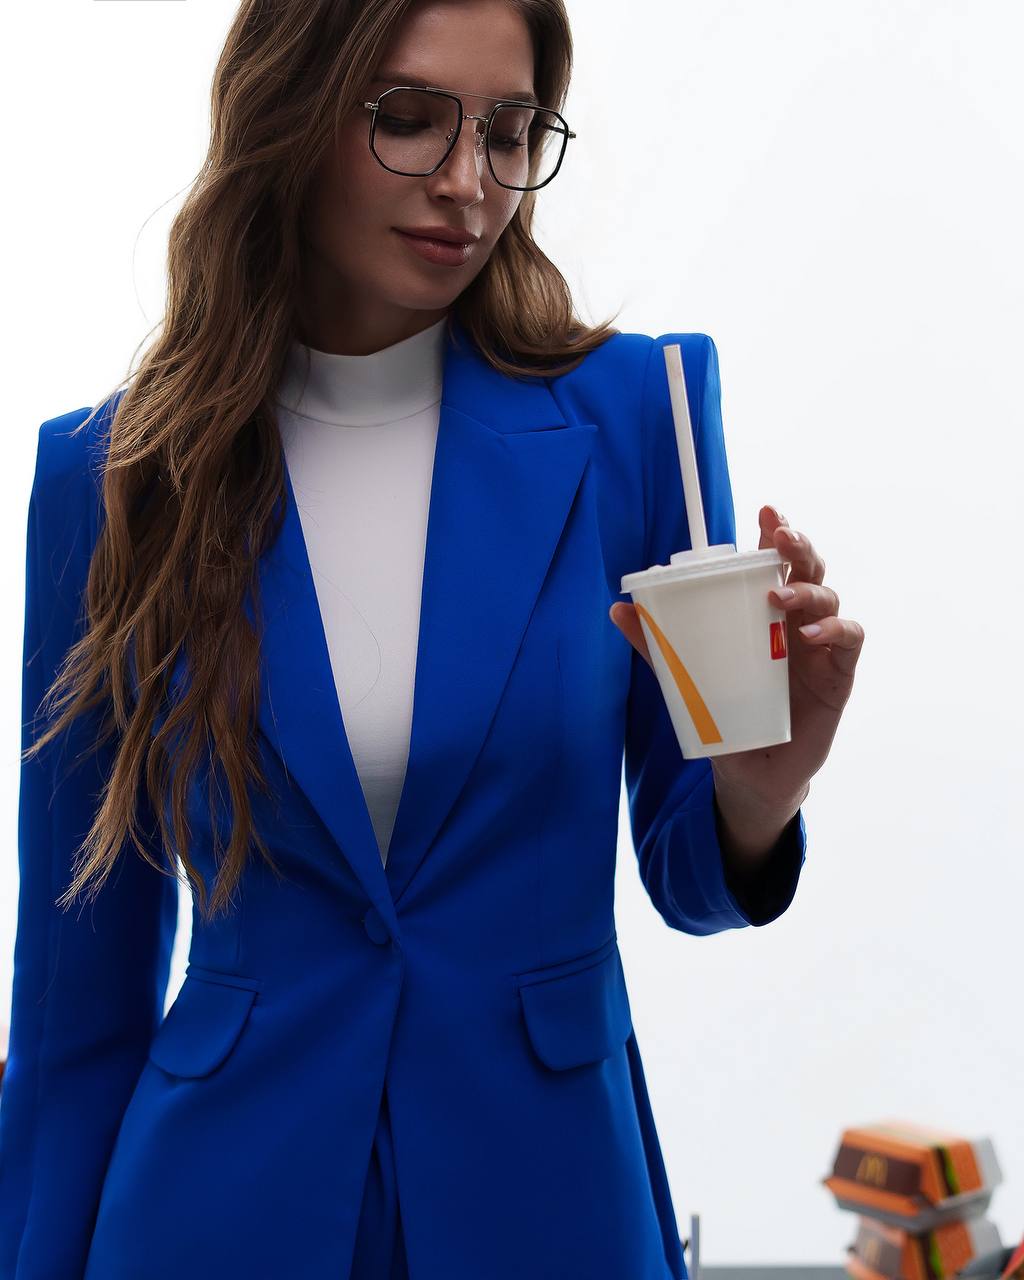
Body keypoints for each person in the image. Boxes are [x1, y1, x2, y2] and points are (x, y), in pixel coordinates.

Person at [0, 1, 865, 1277]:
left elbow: (689, 875)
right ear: (285, 114)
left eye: (510, 133)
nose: (469, 184)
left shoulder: (641, 417)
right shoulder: (113, 476)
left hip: (551, 1197)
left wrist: (758, 788)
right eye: (408, 121)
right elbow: (76, 996)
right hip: (212, 1208)